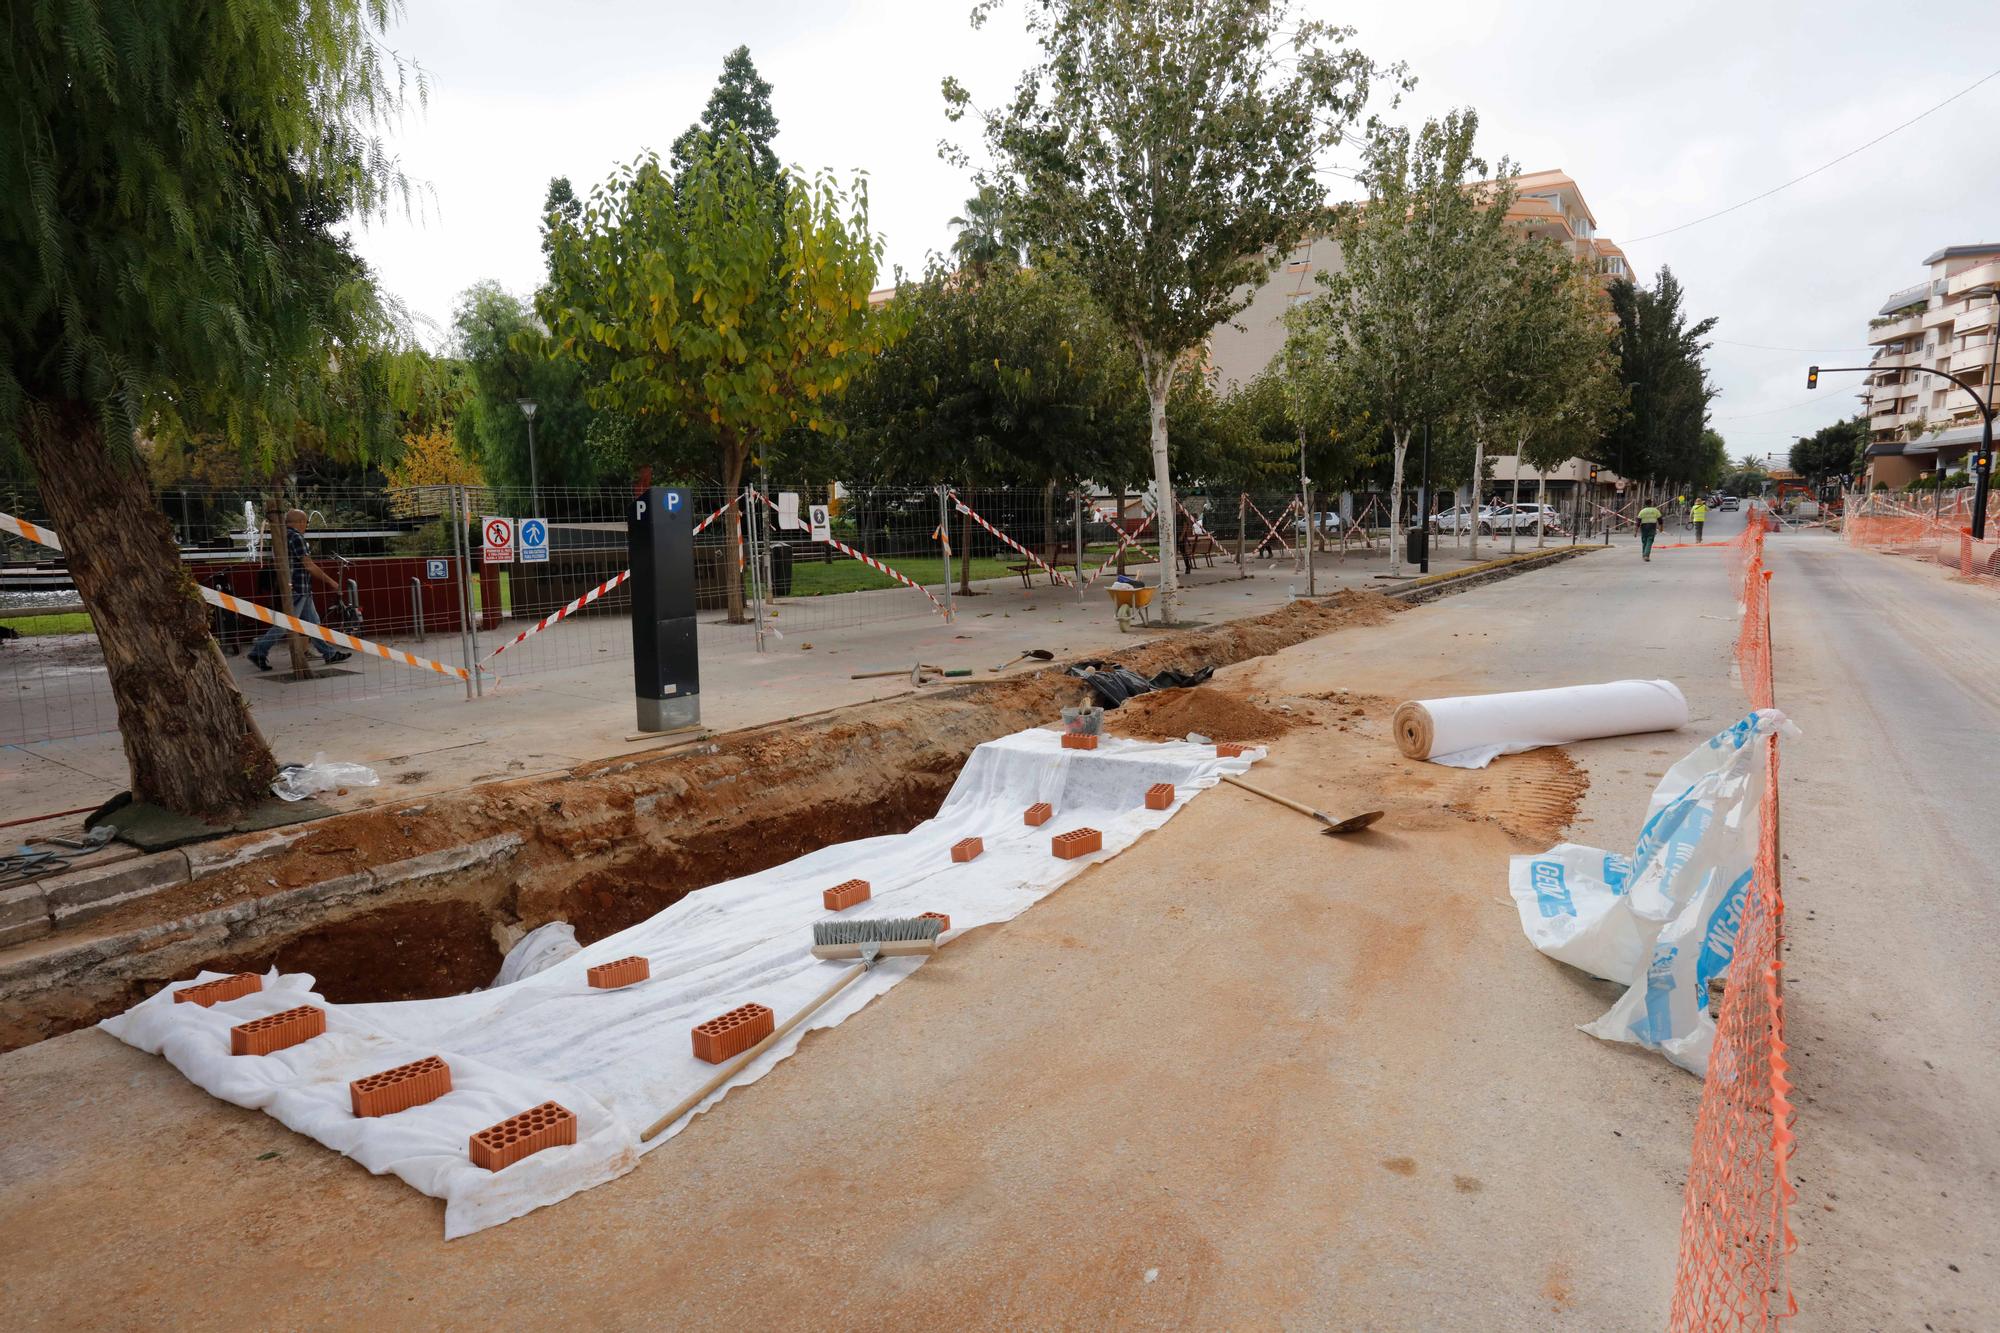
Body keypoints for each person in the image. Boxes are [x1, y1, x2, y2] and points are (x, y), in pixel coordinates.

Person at [249, 510, 354, 671]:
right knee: (285, 625)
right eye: (306, 523)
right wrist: (332, 582)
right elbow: (308, 564)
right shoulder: (296, 537)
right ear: (300, 522)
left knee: (313, 623)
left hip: (297, 588)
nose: (306, 526)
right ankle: (258, 651)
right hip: (298, 588)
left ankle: (329, 653)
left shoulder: (282, 536)